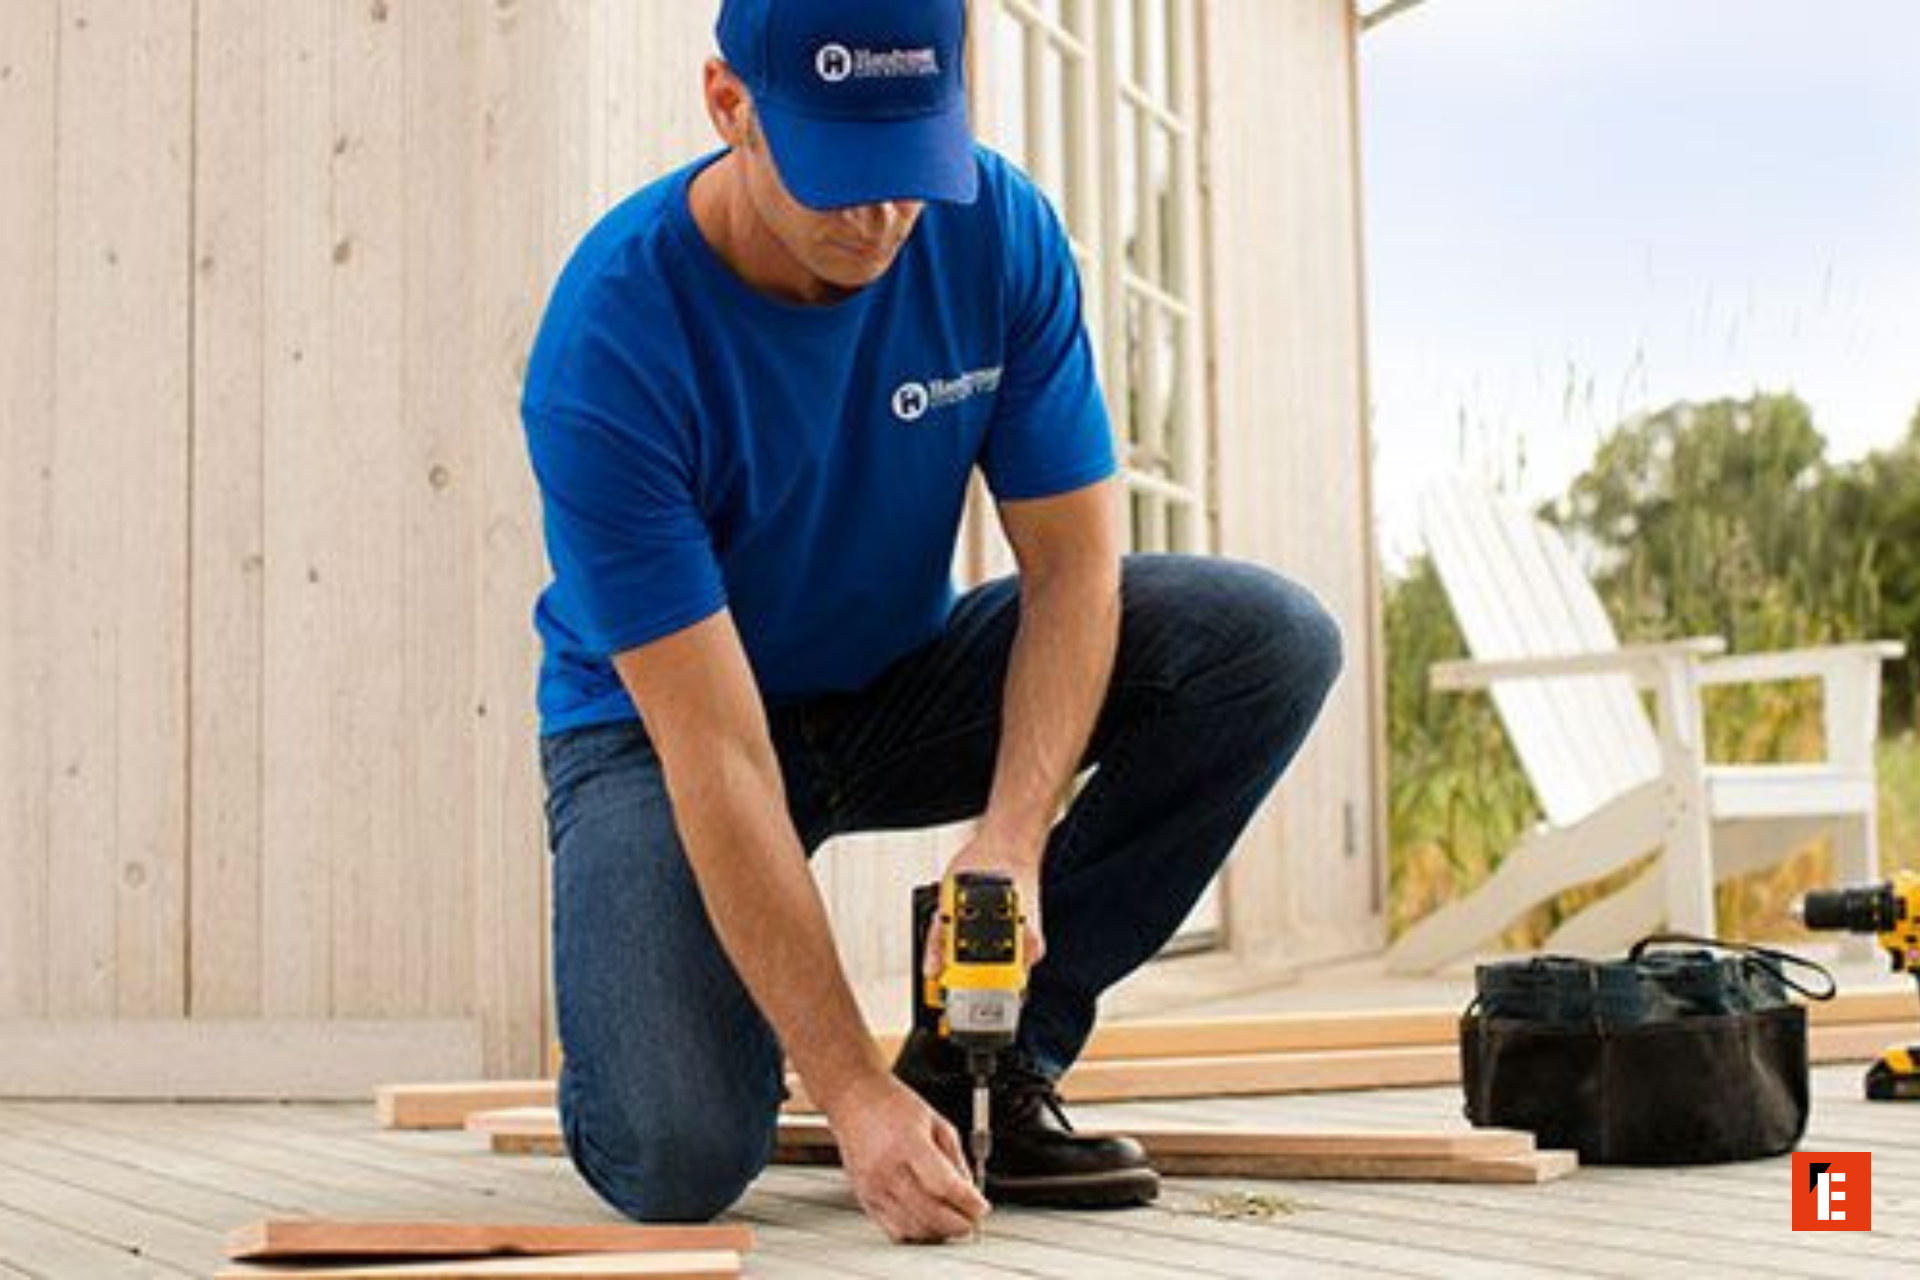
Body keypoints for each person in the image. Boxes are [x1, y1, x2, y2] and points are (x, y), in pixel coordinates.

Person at [520, 0, 1343, 1246]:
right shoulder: (612, 342)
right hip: (662, 733)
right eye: (843, 174)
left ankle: (986, 1061)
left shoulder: (994, 231)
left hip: (897, 680)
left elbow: (1074, 573)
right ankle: (669, 1016)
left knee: (1264, 642)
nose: (880, 218)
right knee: (677, 1153)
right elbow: (721, 754)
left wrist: (1012, 834)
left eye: (908, 170)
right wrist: (846, 1092)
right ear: (728, 106)